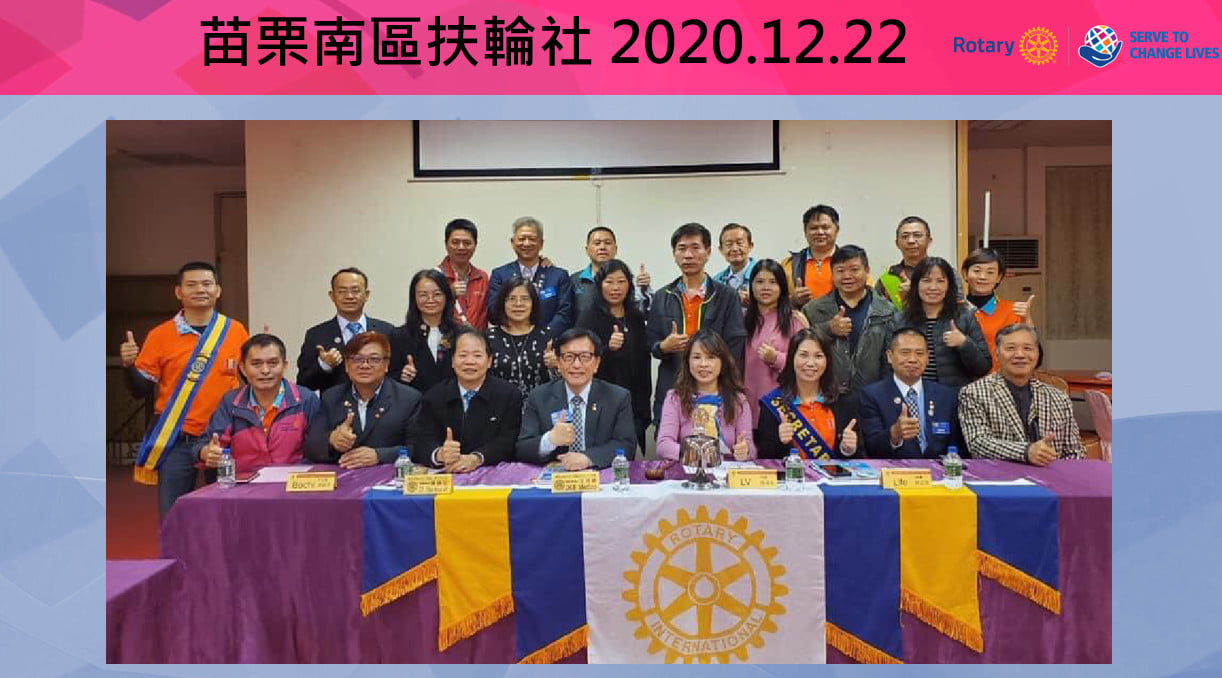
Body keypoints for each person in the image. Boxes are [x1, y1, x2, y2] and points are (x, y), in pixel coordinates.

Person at [119, 261, 249, 518]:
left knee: (227, 511)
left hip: (223, 441)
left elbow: (250, 381)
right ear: (178, 292)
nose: (200, 289)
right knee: (173, 515)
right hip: (177, 440)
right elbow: (139, 389)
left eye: (206, 284)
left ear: (218, 290)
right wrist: (129, 365)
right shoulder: (159, 335)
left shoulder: (236, 331)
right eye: (191, 285)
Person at [647, 222, 747, 426]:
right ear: (674, 254)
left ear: (708, 252)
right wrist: (663, 346)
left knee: (716, 441)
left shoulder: (726, 296)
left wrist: (710, 364)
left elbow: (735, 344)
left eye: (695, 248)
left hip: (716, 390)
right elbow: (650, 342)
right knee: (669, 441)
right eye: (682, 249)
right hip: (672, 386)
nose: (688, 255)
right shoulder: (662, 296)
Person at [959, 324, 1085, 464]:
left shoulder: (1058, 398)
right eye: (1011, 348)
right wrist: (1026, 451)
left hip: (1051, 473)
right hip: (1000, 474)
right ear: (996, 354)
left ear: (1037, 354)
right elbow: (978, 443)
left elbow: (1074, 452)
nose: (1020, 355)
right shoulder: (974, 393)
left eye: (1027, 348)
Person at [195, 334, 320, 474]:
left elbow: (318, 450)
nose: (265, 371)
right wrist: (206, 452)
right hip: (244, 483)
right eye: (256, 364)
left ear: (284, 366)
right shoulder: (231, 402)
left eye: (273, 363)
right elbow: (203, 444)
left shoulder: (305, 400)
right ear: (243, 368)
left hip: (292, 482)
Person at [516, 328, 638, 470]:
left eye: (585, 357)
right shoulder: (539, 397)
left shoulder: (617, 397)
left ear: (597, 363)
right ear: (558, 362)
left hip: (600, 475)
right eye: (569, 357)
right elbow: (522, 449)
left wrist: (588, 458)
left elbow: (626, 445)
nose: (576, 365)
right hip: (554, 478)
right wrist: (550, 440)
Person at [304, 332, 421, 467]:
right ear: (346, 365)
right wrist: (332, 440)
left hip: (389, 475)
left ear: (387, 365)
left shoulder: (409, 398)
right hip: (344, 474)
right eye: (357, 359)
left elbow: (418, 448)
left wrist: (380, 455)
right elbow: (310, 447)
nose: (365, 365)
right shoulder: (331, 397)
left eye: (374, 359)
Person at [413, 328, 523, 472]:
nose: (470, 362)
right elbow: (421, 441)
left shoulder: (508, 395)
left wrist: (477, 458)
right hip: (446, 472)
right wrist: (440, 454)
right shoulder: (434, 396)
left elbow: (508, 441)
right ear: (452, 361)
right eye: (463, 355)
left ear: (489, 361)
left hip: (492, 473)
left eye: (477, 355)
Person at [802, 245, 896, 408]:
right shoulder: (813, 310)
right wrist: (828, 329)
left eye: (854, 270)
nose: (847, 276)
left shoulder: (887, 312)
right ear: (832, 274)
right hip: (824, 399)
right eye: (840, 271)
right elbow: (801, 348)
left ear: (867, 271)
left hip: (872, 400)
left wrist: (885, 397)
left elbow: (891, 361)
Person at [575, 259, 652, 455]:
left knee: (627, 457)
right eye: (609, 282)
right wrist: (607, 349)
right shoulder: (589, 316)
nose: (616, 288)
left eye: (621, 281)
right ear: (600, 285)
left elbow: (644, 360)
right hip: (602, 400)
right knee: (601, 456)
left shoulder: (635, 316)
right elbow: (581, 360)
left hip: (634, 400)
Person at [858, 328, 963, 459]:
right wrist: (893, 435)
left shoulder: (946, 395)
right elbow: (871, 448)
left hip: (939, 469)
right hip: (894, 469)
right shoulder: (872, 395)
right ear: (890, 356)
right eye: (905, 353)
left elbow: (956, 446)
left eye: (919, 353)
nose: (913, 359)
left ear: (927, 357)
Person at [755, 329, 859, 460]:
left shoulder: (844, 401)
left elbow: (860, 458)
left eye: (818, 356)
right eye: (803, 355)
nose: (810, 363)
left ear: (827, 361)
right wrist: (781, 442)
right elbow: (765, 459)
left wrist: (848, 450)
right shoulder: (773, 404)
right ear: (792, 358)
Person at [656, 331, 756, 462]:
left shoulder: (738, 400)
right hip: (688, 468)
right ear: (688, 362)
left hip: (726, 471)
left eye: (711, 357)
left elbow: (750, 448)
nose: (703, 364)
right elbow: (663, 445)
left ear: (723, 362)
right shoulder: (675, 398)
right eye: (697, 357)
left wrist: (745, 450)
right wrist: (697, 455)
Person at [295, 267, 396, 394]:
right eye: (342, 291)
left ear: (366, 295)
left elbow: (395, 374)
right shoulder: (316, 335)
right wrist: (324, 365)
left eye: (355, 291)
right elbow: (303, 384)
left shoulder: (387, 331)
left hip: (381, 403)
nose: (349, 296)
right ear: (332, 296)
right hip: (335, 405)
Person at [895, 257, 991, 388]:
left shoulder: (964, 317)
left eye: (940, 281)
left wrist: (964, 343)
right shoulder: (900, 320)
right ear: (916, 285)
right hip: (912, 395)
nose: (933, 287)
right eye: (926, 281)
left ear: (949, 286)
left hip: (954, 396)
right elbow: (888, 365)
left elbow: (983, 368)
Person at [742, 259, 809, 428]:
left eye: (772, 282)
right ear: (751, 286)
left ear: (782, 287)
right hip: (745, 407)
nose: (765, 287)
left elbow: (806, 364)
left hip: (782, 408)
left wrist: (776, 358)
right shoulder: (741, 319)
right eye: (759, 282)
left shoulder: (795, 321)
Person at [487, 217, 574, 336]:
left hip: (549, 342)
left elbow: (564, 313)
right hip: (510, 340)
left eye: (532, 239)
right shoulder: (500, 275)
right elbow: (493, 312)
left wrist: (544, 336)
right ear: (512, 242)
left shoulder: (559, 275)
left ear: (541, 243)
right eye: (522, 239)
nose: (527, 243)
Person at [961, 247, 1035, 369]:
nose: (983, 277)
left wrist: (1027, 320)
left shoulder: (1012, 311)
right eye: (977, 271)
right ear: (965, 273)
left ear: (999, 277)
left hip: (1000, 378)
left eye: (990, 272)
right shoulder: (953, 310)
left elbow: (1032, 353)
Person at [389, 269, 458, 394]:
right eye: (423, 295)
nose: (430, 300)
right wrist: (402, 375)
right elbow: (388, 378)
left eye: (437, 294)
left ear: (446, 296)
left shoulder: (460, 334)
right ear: (414, 298)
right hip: (415, 402)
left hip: (453, 402)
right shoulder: (399, 336)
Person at [487, 277, 556, 399]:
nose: (518, 304)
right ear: (502, 303)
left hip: (539, 405)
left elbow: (558, 382)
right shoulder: (489, 338)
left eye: (525, 299)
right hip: (499, 405)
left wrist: (555, 366)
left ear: (533, 303)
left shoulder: (546, 335)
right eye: (512, 299)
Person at [571, 226, 653, 317]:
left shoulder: (628, 280)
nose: (602, 247)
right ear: (587, 250)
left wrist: (643, 290)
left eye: (608, 243)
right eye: (597, 243)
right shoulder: (574, 281)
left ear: (615, 249)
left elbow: (642, 313)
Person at [782, 204, 841, 308]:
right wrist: (793, 300)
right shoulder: (789, 265)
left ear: (837, 230)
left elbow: (866, 295)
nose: (820, 232)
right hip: (801, 318)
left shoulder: (851, 263)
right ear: (805, 231)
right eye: (813, 228)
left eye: (825, 227)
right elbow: (772, 302)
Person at [437, 218, 490, 330]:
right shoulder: (434, 277)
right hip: (445, 339)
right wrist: (448, 294)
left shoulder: (482, 278)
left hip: (477, 339)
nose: (461, 247)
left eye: (467, 243)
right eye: (455, 242)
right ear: (446, 244)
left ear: (475, 245)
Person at [875, 216, 932, 309]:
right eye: (905, 236)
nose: (911, 241)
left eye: (917, 235)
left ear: (929, 241)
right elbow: (878, 314)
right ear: (897, 243)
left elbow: (955, 311)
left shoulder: (945, 274)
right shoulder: (886, 279)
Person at [712, 222, 758, 309]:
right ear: (721, 249)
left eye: (739, 243)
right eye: (729, 244)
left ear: (750, 246)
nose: (734, 249)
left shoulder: (764, 274)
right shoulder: (716, 280)